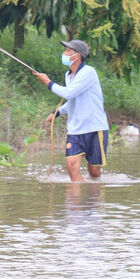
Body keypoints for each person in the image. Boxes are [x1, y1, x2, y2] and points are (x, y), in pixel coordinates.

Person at [33, 40, 109, 182]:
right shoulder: (68, 76)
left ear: (77, 55)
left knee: (94, 172)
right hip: (75, 130)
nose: (64, 54)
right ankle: (76, 203)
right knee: (71, 166)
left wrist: (48, 83)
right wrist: (57, 112)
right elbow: (73, 99)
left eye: (68, 51)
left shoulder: (88, 73)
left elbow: (69, 93)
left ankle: (93, 200)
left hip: (94, 128)